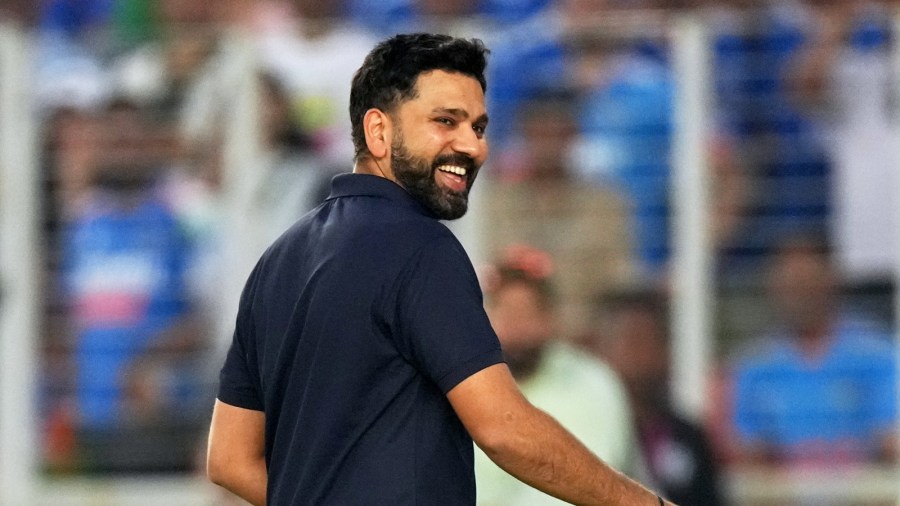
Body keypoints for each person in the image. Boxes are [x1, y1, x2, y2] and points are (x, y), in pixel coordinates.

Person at [206, 33, 674, 506]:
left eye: (479, 127)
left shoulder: (276, 262)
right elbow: (503, 429)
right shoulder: (421, 248)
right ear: (378, 131)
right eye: (445, 121)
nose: (472, 146)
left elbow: (229, 459)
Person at [475, 244, 639, 505]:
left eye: (527, 311)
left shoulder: (591, 382)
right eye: (505, 311)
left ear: (550, 317)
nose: (516, 325)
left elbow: (593, 484)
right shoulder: (463, 385)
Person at [729, 232, 897, 467]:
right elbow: (747, 449)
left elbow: (891, 440)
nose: (798, 296)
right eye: (789, 285)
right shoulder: (755, 364)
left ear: (831, 281)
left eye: (806, 282)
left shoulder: (878, 355)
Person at [588, 288, 725, 506]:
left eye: (654, 340)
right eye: (633, 340)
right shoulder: (585, 432)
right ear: (602, 350)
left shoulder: (688, 435)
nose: (643, 354)